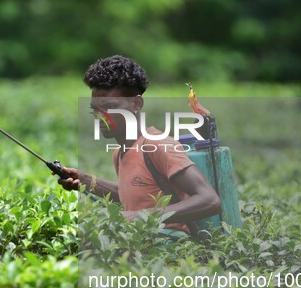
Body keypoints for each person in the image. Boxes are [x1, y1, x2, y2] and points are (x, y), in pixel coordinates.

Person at [56, 54, 221, 238]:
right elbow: (132, 195)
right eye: (95, 109)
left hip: (173, 251)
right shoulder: (119, 153)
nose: (100, 117)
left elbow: (210, 200)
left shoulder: (157, 145)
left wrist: (139, 216)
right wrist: (85, 180)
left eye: (109, 107)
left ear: (136, 103)